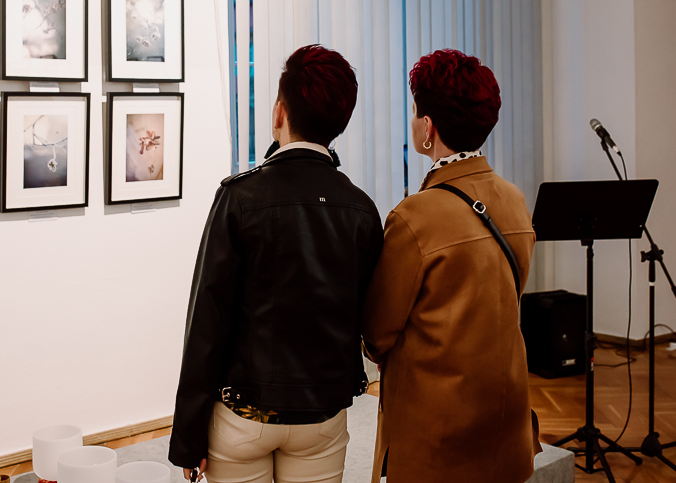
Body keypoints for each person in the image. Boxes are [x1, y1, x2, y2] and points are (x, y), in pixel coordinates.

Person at [168, 45, 384, 483]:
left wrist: (188, 435)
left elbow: (207, 324)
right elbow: (366, 318)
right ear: (338, 123)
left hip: (243, 417)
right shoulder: (361, 209)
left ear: (278, 113)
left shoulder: (239, 197)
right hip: (322, 418)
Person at [362, 48, 541, 483]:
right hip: (505, 420)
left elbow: (378, 333)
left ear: (428, 128)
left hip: (438, 437)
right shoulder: (515, 201)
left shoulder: (414, 217)